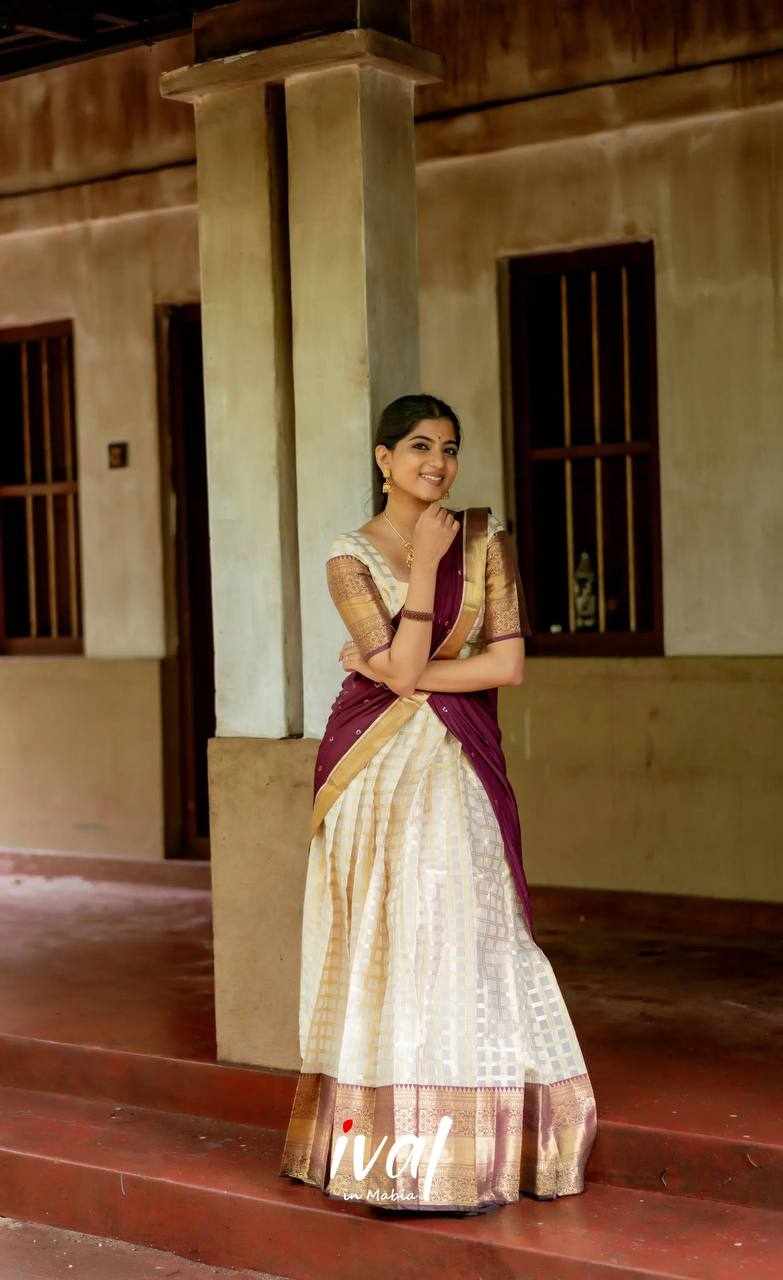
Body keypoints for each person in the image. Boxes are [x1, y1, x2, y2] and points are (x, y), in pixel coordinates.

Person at [279, 394, 597, 1214]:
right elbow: (396, 672)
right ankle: (388, 1154)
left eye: (449, 448)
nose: (437, 462)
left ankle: (477, 1152)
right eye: (419, 446)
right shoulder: (348, 557)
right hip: (374, 774)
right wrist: (422, 566)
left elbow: (504, 666)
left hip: (455, 763)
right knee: (389, 940)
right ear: (383, 459)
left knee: (468, 933)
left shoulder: (485, 541)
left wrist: (395, 668)